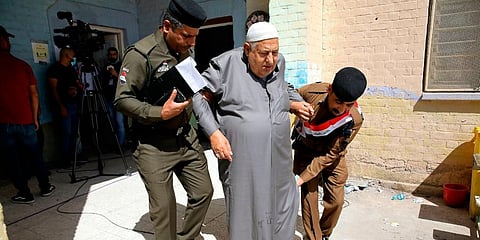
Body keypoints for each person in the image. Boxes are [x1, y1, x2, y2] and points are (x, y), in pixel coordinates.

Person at [114, 0, 213, 239]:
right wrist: (160, 113)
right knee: (165, 209)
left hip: (185, 139)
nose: (192, 42)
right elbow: (121, 100)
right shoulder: (140, 55)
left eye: (195, 37)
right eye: (186, 36)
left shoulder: (184, 49)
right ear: (167, 26)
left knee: (203, 192)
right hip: (152, 144)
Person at [193, 22, 300, 240]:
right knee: (246, 207)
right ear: (247, 49)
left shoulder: (278, 63)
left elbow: (282, 86)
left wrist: (295, 102)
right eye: (263, 54)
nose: (270, 60)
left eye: (275, 52)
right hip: (243, 157)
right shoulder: (225, 66)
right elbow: (199, 97)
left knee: (281, 201)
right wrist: (214, 133)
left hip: (278, 154)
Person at [292, 67, 367, 240]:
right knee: (310, 202)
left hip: (331, 156)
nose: (342, 108)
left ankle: (324, 233)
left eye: (348, 104)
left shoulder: (354, 119)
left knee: (336, 201)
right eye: (338, 101)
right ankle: (314, 238)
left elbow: (330, 155)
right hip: (306, 150)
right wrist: (296, 107)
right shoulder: (312, 92)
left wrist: (301, 178)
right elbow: (290, 96)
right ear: (330, 89)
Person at [0, 25, 55, 204]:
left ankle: (24, 192)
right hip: (26, 121)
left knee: (13, 160)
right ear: (5, 42)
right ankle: (45, 186)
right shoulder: (22, 65)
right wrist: (34, 118)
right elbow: (34, 94)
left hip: (3, 123)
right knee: (35, 155)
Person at [47, 47, 83, 168]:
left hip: (74, 103)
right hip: (64, 104)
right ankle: (65, 160)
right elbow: (53, 89)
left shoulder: (71, 69)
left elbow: (76, 83)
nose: (73, 58)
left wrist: (78, 87)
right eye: (72, 56)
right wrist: (61, 106)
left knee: (74, 133)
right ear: (66, 55)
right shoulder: (54, 69)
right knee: (65, 133)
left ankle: (74, 157)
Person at [101, 47, 126, 148]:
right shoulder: (105, 67)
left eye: (114, 54)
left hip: (119, 98)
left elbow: (125, 80)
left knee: (119, 121)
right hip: (108, 98)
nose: (112, 56)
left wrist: (115, 74)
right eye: (110, 54)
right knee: (111, 122)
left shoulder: (122, 65)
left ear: (117, 54)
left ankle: (121, 144)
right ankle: (114, 143)